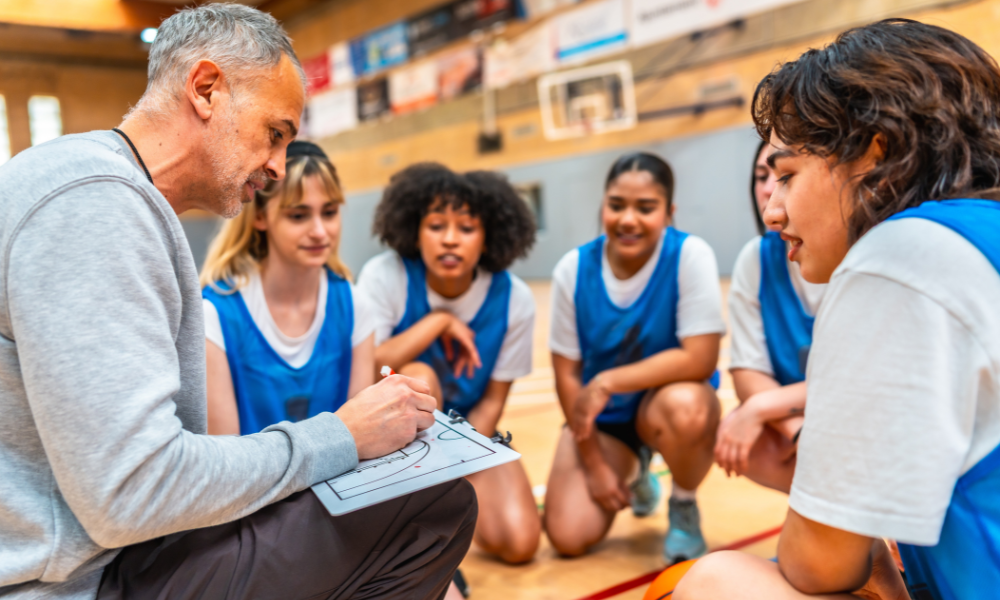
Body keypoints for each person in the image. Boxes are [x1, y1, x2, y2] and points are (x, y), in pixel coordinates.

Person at [0, 5, 475, 600]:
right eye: (274, 133)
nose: (277, 167)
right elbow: (132, 493)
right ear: (206, 89)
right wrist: (342, 436)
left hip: (117, 555)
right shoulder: (93, 200)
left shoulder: (101, 191)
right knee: (436, 503)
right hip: (84, 582)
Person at [675, 18, 1000, 599]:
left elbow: (819, 567)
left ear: (877, 156)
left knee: (715, 581)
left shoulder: (896, 257)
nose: (771, 211)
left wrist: (856, 520)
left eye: (788, 176)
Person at [544, 152, 726, 564]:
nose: (628, 219)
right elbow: (567, 376)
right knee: (567, 535)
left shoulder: (689, 255)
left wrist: (607, 381)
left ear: (668, 213)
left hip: (666, 409)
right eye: (616, 205)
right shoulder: (572, 270)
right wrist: (595, 464)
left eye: (645, 208)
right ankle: (637, 473)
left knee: (690, 407)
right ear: (603, 205)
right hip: (604, 421)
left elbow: (700, 359)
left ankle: (683, 505)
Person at [357, 164, 541, 568]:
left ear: (489, 234)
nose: (451, 240)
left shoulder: (514, 299)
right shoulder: (385, 275)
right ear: (415, 230)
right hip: (391, 445)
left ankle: (438, 512)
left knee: (521, 542)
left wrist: (461, 470)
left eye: (467, 228)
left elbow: (493, 402)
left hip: (471, 438)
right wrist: (438, 321)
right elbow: (369, 367)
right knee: (417, 380)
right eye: (437, 226)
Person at [201, 140, 375, 435]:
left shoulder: (355, 305)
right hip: (252, 481)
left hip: (341, 480)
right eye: (298, 215)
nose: (320, 231)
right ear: (260, 216)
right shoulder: (215, 315)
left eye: (329, 212)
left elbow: (364, 439)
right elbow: (225, 458)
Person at [715, 140, 826, 493]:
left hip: (861, 420)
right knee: (740, 431)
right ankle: (859, 538)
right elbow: (749, 375)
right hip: (805, 420)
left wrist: (763, 407)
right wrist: (798, 432)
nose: (766, 188)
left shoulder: (859, 257)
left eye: (784, 175)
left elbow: (865, 382)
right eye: (761, 175)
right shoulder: (756, 259)